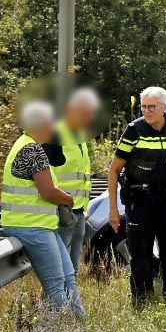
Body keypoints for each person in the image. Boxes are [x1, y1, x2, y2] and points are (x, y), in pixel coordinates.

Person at [108, 86, 166, 309]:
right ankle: (142, 303)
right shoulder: (134, 130)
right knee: (140, 255)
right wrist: (113, 209)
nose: (146, 111)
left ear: (165, 108)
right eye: (143, 107)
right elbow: (114, 170)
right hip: (141, 201)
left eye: (151, 107)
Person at [0, 100, 86, 318]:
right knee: (57, 284)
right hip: (31, 226)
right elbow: (49, 192)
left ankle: (80, 324)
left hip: (40, 226)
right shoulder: (32, 151)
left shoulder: (27, 145)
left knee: (68, 277)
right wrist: (68, 198)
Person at [48, 87, 101, 274]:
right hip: (61, 210)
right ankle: (59, 302)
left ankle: (70, 300)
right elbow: (42, 171)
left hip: (78, 209)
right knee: (61, 268)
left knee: (73, 267)